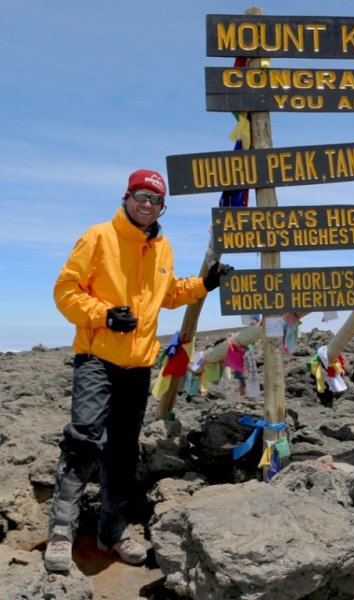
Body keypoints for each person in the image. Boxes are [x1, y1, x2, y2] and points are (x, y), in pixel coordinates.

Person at [44, 169, 233, 572]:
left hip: (139, 364)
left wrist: (204, 284)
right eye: (142, 195)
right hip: (96, 359)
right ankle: (62, 533)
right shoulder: (98, 237)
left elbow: (166, 295)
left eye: (156, 199)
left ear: (163, 207)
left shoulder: (162, 248)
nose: (148, 204)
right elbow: (66, 291)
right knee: (83, 439)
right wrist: (105, 315)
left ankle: (112, 532)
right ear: (127, 197)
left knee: (124, 449)